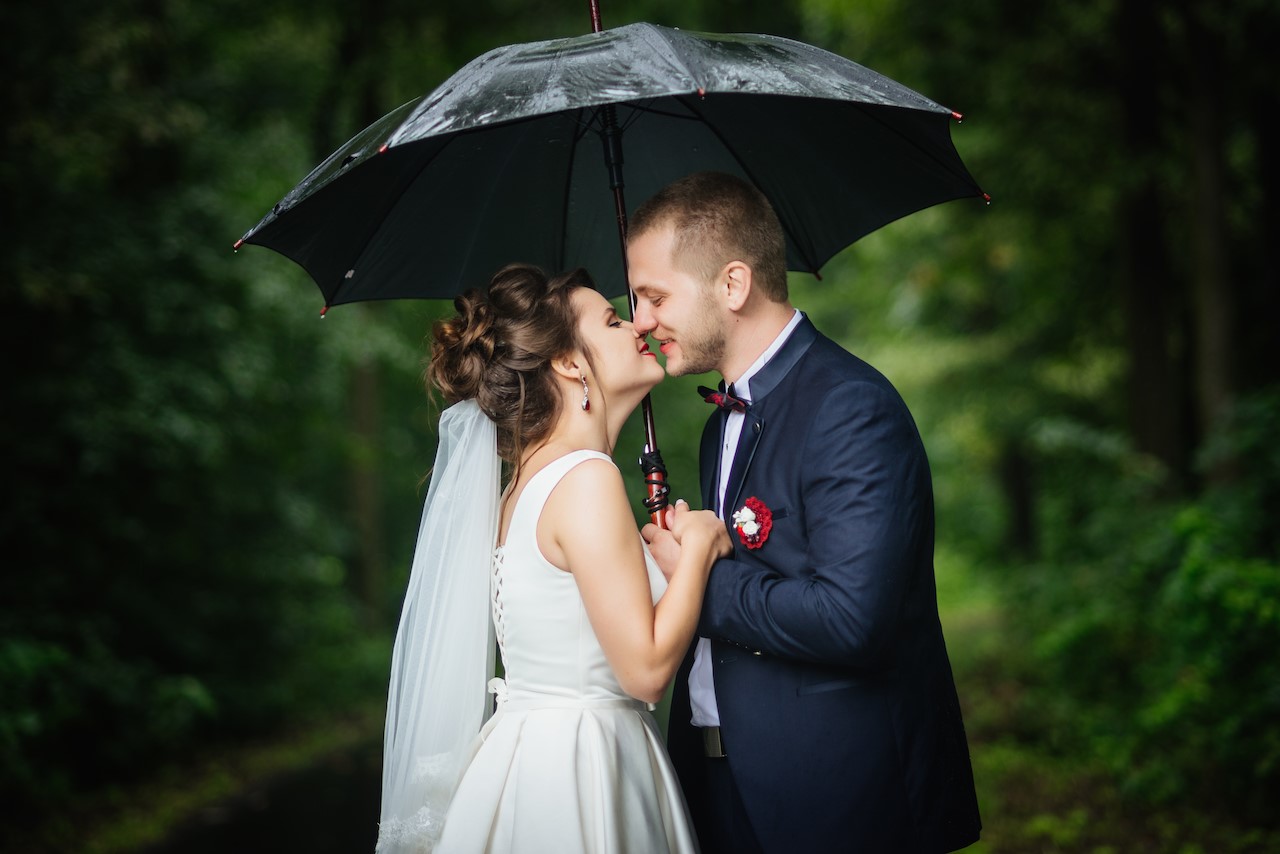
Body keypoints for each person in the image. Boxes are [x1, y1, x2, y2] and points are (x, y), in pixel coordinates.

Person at [628, 172, 982, 853]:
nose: (641, 321)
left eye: (654, 296)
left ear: (733, 285)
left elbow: (853, 621)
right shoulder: (717, 426)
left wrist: (695, 577)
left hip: (835, 793)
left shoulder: (851, 407)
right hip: (717, 788)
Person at [376, 263, 732, 853]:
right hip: (584, 766)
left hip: (526, 759)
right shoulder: (586, 479)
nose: (639, 325)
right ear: (569, 362)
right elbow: (643, 673)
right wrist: (697, 550)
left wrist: (667, 572)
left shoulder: (524, 484)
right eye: (615, 320)